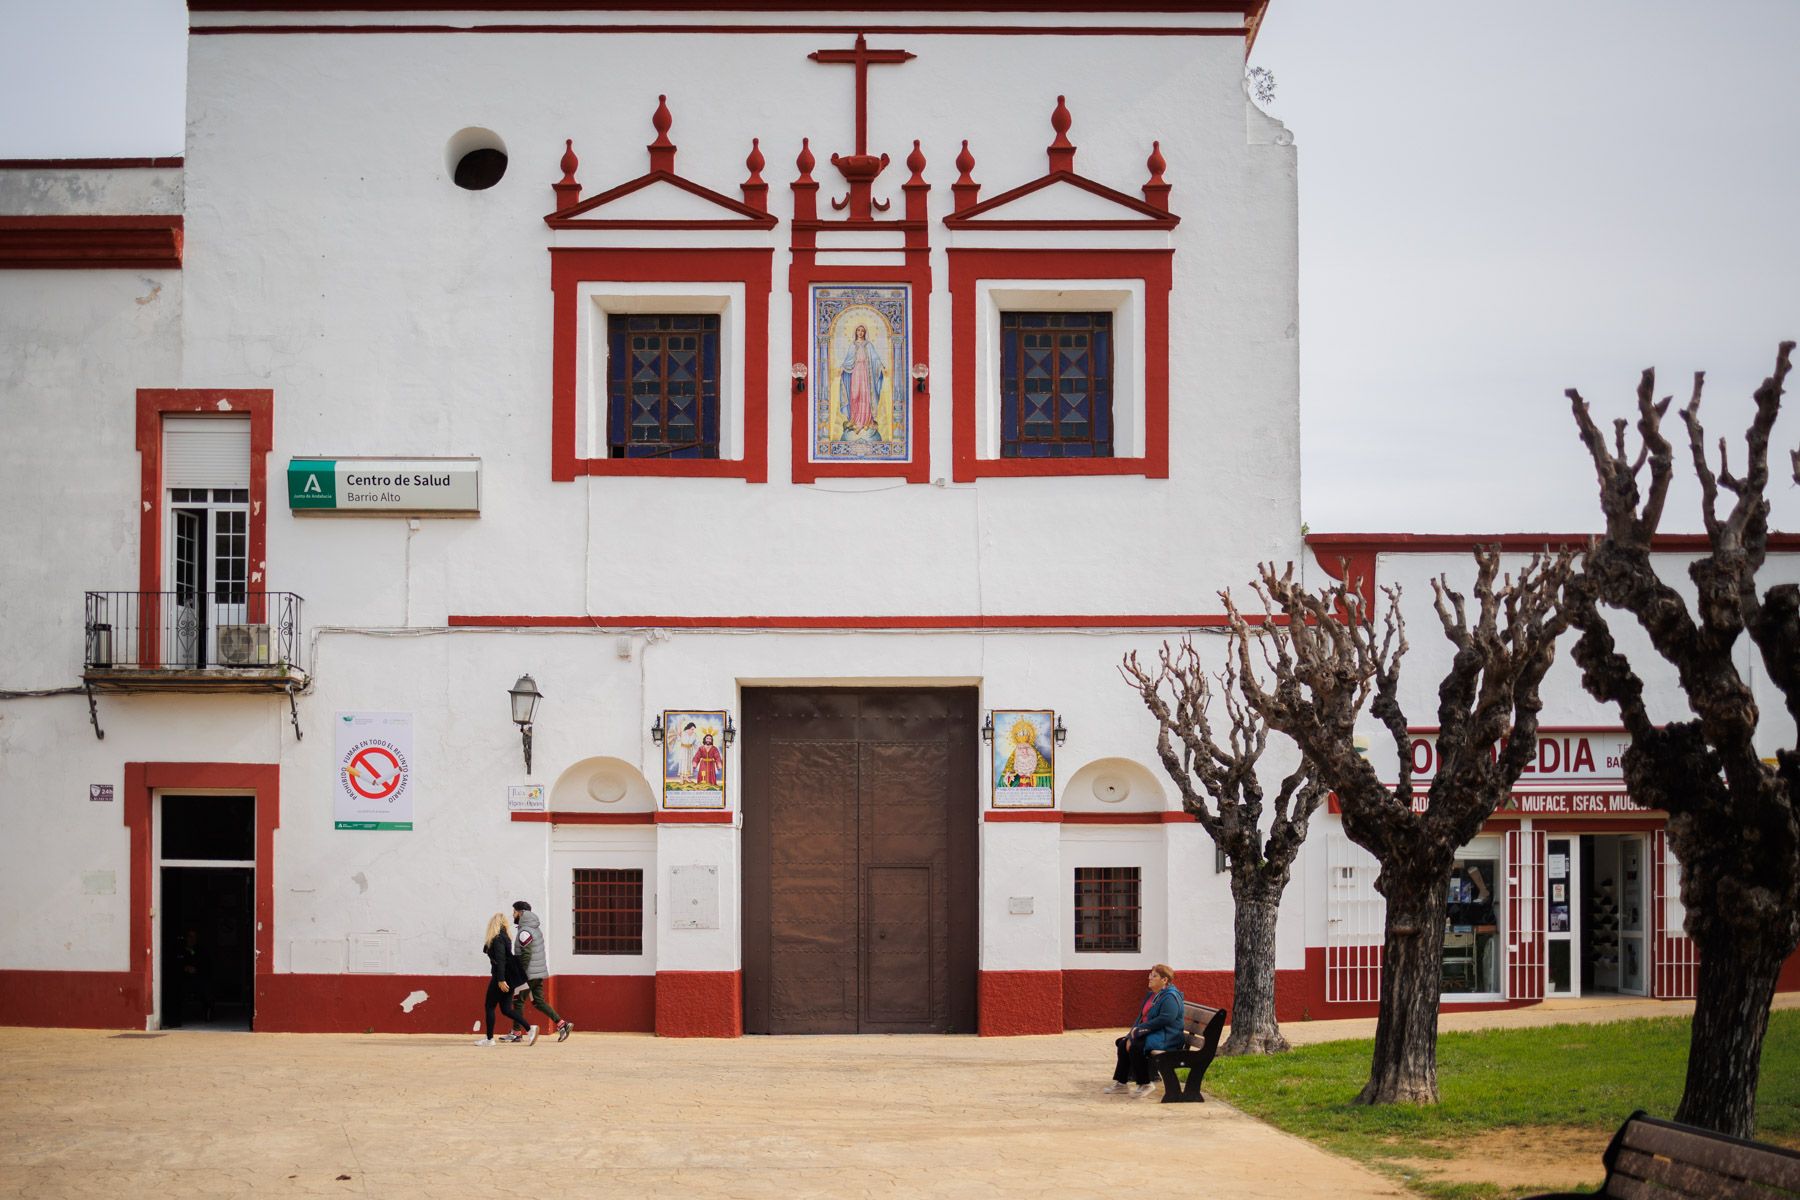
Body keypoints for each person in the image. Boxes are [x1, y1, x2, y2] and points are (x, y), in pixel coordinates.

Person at [1104, 964, 1185, 1097]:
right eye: (1150, 975)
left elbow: (1166, 1019)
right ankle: (1122, 1083)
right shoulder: (1152, 995)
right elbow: (1141, 1018)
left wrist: (1139, 1031)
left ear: (1164, 980)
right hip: (1156, 1034)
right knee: (1124, 1043)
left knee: (1137, 1046)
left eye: (1154, 976)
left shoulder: (1170, 997)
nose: (1150, 978)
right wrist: (1131, 1034)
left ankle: (1145, 1083)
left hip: (1168, 1037)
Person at [512, 901, 572, 1042]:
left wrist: (521, 973)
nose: (513, 915)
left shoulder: (524, 932)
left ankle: (516, 1033)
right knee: (538, 1001)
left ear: (521, 913)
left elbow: (526, 955)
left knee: (518, 1001)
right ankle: (562, 1024)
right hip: (538, 972)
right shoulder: (535, 929)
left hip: (528, 973)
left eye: (514, 912)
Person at [477, 911, 534, 1046]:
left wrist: (501, 979)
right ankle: (530, 1029)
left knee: (489, 1006)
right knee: (506, 1009)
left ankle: (490, 1039)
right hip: (509, 977)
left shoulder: (497, 939)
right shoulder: (505, 938)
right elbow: (487, 950)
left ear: (493, 924)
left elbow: (501, 960)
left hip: (501, 977)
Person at [838, 323, 885, 436]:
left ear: (865, 332)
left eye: (862, 330)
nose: (860, 332)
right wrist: (842, 367)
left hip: (865, 372)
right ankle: (855, 420)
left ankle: (865, 421)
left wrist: (882, 367)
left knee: (865, 395)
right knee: (855, 395)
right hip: (855, 372)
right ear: (856, 332)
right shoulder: (853, 345)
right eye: (858, 330)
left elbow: (875, 359)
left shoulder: (868, 345)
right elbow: (848, 360)